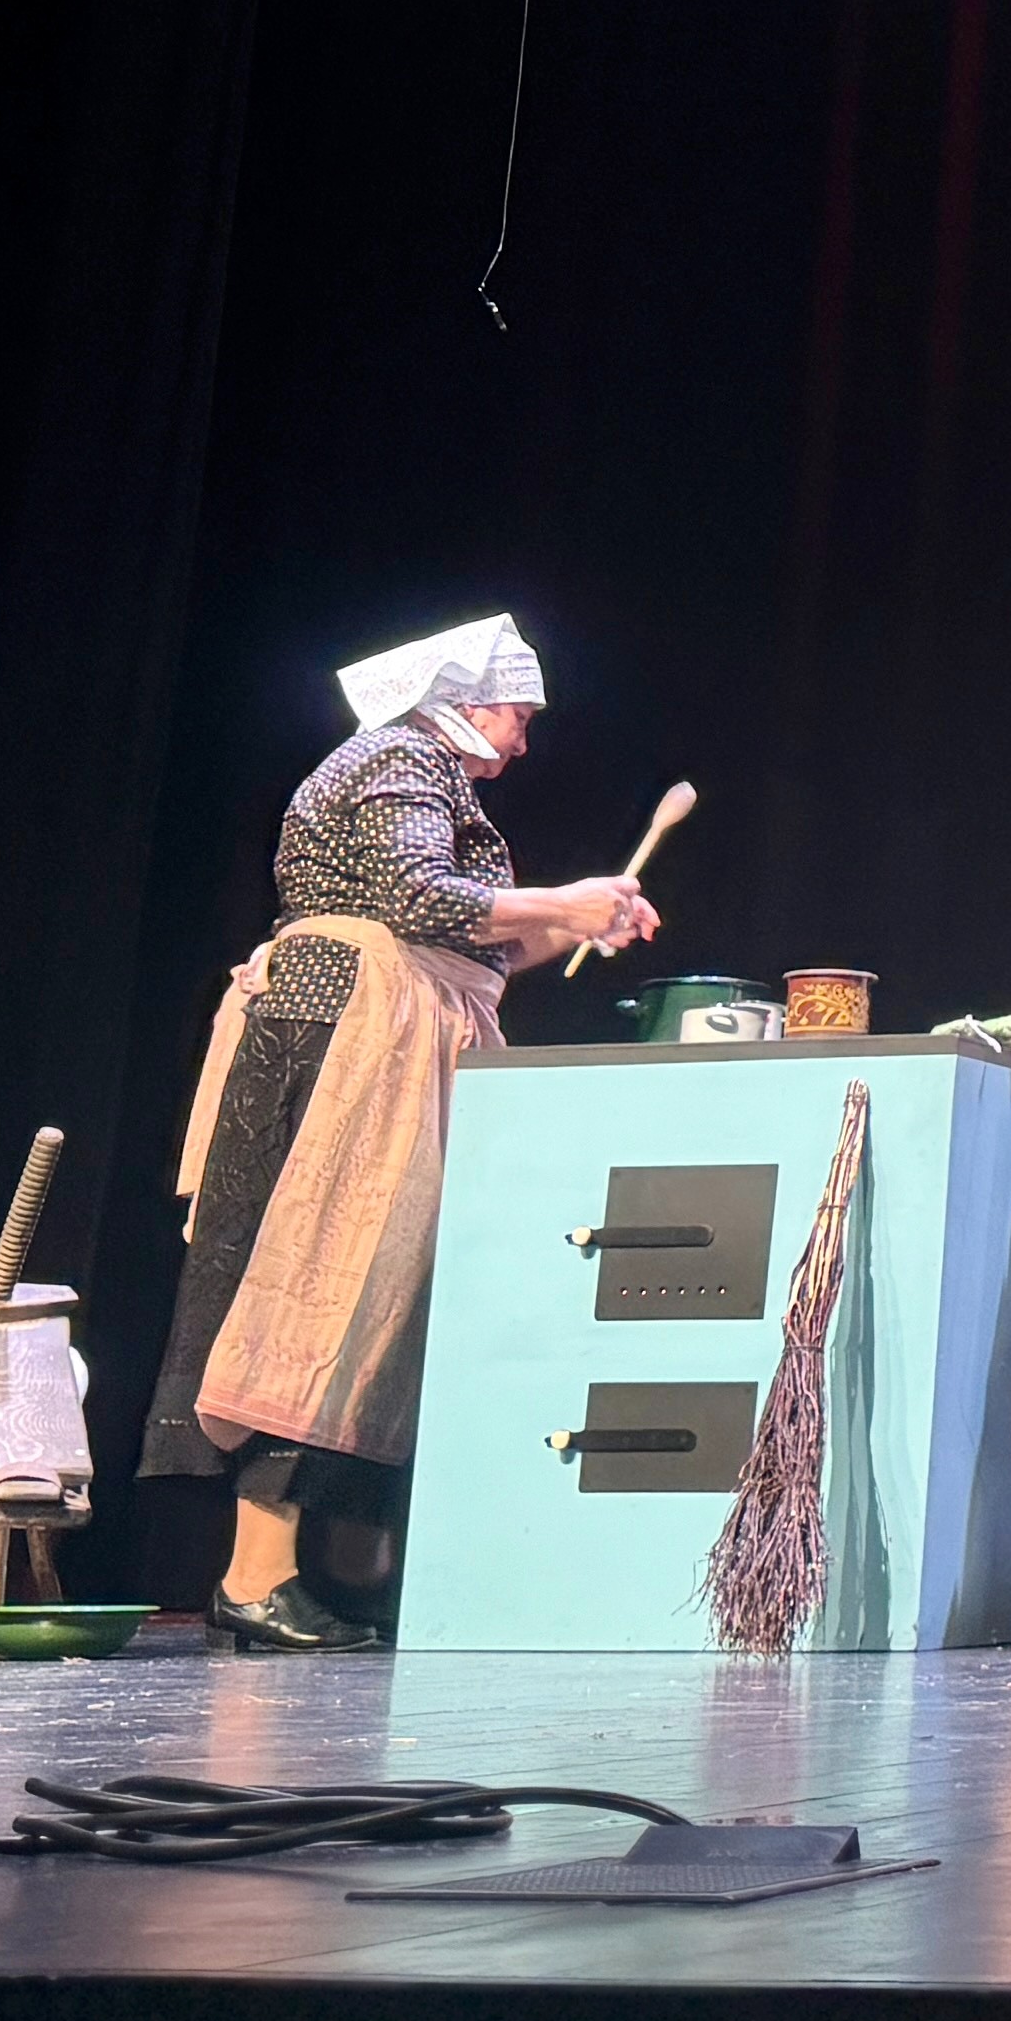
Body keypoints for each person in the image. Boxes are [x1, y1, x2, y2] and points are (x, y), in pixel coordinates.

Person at [146, 612, 658, 1653]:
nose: (522, 742)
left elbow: (465, 941)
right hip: (340, 1041)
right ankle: (254, 1576)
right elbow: (418, 898)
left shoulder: (439, 783)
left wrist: (570, 922)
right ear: (459, 703)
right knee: (315, 1278)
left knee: (379, 1294)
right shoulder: (394, 757)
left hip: (394, 1035)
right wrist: (560, 900)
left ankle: (321, 1569)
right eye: (516, 716)